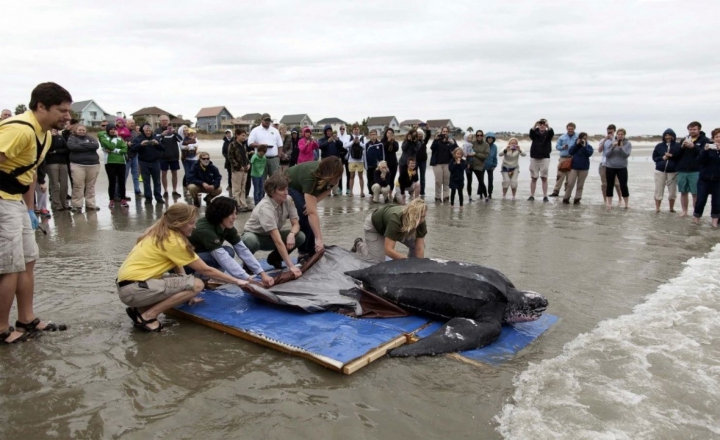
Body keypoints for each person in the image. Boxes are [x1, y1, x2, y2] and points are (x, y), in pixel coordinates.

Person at [0, 82, 72, 344]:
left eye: (68, 111)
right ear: (41, 106)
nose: (67, 116)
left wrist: (29, 208)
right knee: (8, 267)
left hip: (16, 202)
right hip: (1, 201)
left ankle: (26, 318)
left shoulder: (46, 134)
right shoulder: (20, 130)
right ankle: (1, 328)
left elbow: (28, 174)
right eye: (61, 110)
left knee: (28, 259)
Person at [116, 204, 252, 332]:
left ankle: (139, 310)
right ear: (178, 223)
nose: (194, 227)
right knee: (197, 284)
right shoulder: (173, 240)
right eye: (191, 223)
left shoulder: (159, 233)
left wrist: (186, 289)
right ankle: (148, 316)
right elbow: (206, 270)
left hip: (128, 287)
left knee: (190, 283)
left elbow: (177, 263)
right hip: (135, 290)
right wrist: (237, 281)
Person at [187, 197, 274, 287]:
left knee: (228, 251)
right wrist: (247, 279)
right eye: (231, 213)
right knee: (223, 254)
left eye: (235, 213)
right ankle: (199, 280)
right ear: (220, 214)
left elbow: (242, 249)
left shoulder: (226, 226)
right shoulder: (205, 229)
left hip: (200, 258)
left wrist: (262, 273)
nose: (235, 217)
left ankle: (204, 280)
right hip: (187, 264)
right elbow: (222, 257)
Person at [241, 172, 305, 276]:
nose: (285, 192)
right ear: (272, 192)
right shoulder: (265, 207)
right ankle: (248, 265)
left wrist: (292, 234)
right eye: (281, 190)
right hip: (256, 236)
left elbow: (296, 223)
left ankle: (275, 258)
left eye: (286, 189)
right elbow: (278, 241)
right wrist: (291, 266)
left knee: (300, 236)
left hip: (272, 236)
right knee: (250, 240)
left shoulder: (288, 199)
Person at [285, 156, 343, 261]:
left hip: (303, 182)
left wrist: (313, 202)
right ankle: (303, 252)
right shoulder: (310, 177)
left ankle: (311, 250)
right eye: (335, 178)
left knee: (309, 212)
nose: (336, 180)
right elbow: (312, 213)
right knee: (305, 215)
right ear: (327, 174)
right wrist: (319, 239)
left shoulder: (334, 176)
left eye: (338, 178)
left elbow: (328, 190)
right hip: (290, 182)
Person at [352, 199, 427, 263]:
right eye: (417, 216)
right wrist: (406, 261)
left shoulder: (420, 221)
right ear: (410, 214)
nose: (420, 220)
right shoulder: (395, 219)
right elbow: (388, 250)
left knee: (419, 244)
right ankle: (358, 245)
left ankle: (412, 266)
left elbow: (419, 248)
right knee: (376, 261)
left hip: (397, 227)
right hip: (375, 227)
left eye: (423, 217)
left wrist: (417, 265)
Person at [676, 121, 710, 217]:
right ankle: (684, 211)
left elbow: (705, 154)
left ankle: (696, 213)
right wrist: (682, 147)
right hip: (682, 170)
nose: (692, 131)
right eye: (690, 129)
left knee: (695, 193)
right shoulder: (684, 139)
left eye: (694, 129)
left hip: (696, 170)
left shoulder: (705, 140)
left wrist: (693, 147)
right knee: (683, 192)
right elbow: (677, 155)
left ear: (699, 129)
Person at [67, 124, 101, 212]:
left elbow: (96, 146)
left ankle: (90, 204)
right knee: (78, 185)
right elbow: (72, 147)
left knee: (90, 186)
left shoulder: (91, 137)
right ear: (75, 130)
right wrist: (88, 145)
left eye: (83, 130)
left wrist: (81, 145)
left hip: (93, 164)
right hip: (78, 165)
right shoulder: (72, 138)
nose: (81, 131)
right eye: (79, 130)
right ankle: (77, 205)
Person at [693, 128, 720, 226]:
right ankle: (696, 220)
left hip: (718, 181)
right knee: (700, 200)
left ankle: (714, 223)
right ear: (713, 138)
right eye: (716, 137)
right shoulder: (708, 147)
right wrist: (705, 150)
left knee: (717, 202)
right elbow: (699, 161)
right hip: (704, 179)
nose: (718, 139)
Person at [132, 123, 164, 204]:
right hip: (144, 162)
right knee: (146, 182)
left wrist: (157, 144)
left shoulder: (155, 137)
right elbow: (133, 149)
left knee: (157, 181)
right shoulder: (139, 138)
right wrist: (141, 144)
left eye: (149, 130)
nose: (148, 132)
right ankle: (148, 198)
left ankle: (158, 197)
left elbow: (163, 148)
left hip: (155, 162)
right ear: (143, 131)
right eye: (146, 130)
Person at [98, 123, 129, 208]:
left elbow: (125, 149)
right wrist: (114, 141)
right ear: (108, 130)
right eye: (110, 129)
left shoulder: (120, 138)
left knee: (122, 182)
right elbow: (109, 146)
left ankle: (123, 199)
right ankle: (111, 200)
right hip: (110, 162)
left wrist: (114, 150)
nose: (112, 130)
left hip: (121, 162)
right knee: (112, 182)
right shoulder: (104, 138)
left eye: (114, 129)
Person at [652, 129, 681, 213]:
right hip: (660, 170)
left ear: (673, 136)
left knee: (672, 191)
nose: (667, 137)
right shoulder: (659, 146)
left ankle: (671, 208)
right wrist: (662, 158)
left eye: (669, 135)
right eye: (666, 135)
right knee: (658, 189)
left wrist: (671, 156)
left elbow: (679, 157)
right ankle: (657, 208)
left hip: (673, 171)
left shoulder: (677, 146)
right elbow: (654, 158)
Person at [248, 113, 283, 178]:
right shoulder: (255, 130)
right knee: (261, 179)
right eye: (265, 120)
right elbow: (250, 143)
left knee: (275, 180)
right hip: (260, 159)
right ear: (261, 120)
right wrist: (260, 145)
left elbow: (280, 145)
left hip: (273, 159)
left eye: (268, 120)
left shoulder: (275, 131)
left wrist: (279, 156)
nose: (267, 122)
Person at [562, 132, 593, 204]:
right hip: (574, 167)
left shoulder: (589, 146)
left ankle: (577, 198)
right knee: (570, 183)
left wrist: (584, 146)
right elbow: (570, 152)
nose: (584, 140)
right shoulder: (575, 145)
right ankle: (566, 198)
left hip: (584, 168)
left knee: (580, 185)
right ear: (579, 138)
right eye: (583, 138)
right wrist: (577, 144)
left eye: (585, 138)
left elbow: (589, 154)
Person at [605, 128, 632, 209]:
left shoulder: (628, 144)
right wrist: (613, 146)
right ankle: (609, 203)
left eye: (622, 134)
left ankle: (626, 203)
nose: (620, 136)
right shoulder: (611, 142)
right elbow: (607, 154)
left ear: (624, 135)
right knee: (610, 185)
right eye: (619, 134)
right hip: (610, 166)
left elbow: (626, 155)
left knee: (623, 185)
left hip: (622, 167)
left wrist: (621, 148)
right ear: (616, 135)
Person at [155, 115, 181, 198]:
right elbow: (156, 141)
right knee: (163, 173)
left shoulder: (172, 131)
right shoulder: (157, 131)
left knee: (174, 173)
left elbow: (180, 140)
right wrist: (162, 135)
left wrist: (175, 133)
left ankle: (174, 190)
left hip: (174, 155)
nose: (165, 122)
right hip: (163, 156)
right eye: (163, 120)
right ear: (160, 122)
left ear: (169, 121)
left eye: (166, 120)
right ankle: (165, 191)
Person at [528, 119, 554, 202]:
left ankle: (545, 196)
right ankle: (532, 195)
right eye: (540, 124)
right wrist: (535, 124)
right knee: (534, 177)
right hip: (534, 157)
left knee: (544, 177)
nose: (542, 126)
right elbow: (531, 134)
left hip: (545, 157)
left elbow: (551, 133)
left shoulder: (548, 134)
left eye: (543, 124)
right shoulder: (535, 133)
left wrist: (548, 125)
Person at [45, 128, 70, 211]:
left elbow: (66, 149)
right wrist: (51, 136)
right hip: (51, 163)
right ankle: (56, 204)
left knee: (64, 184)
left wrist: (56, 151)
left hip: (63, 163)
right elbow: (48, 149)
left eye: (55, 130)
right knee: (54, 184)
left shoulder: (61, 138)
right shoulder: (46, 138)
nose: (54, 131)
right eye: (52, 130)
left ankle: (64, 203)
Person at [598, 124, 623, 205]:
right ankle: (605, 199)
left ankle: (620, 199)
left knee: (616, 183)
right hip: (604, 164)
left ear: (614, 131)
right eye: (608, 132)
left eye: (611, 132)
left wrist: (613, 141)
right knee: (604, 184)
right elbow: (599, 150)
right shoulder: (603, 140)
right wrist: (605, 139)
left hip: (614, 164)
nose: (609, 134)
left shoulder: (617, 139)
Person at [430, 126, 456, 202]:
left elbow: (456, 150)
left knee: (446, 181)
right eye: (443, 131)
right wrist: (435, 140)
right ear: (441, 132)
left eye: (446, 131)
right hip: (437, 163)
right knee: (438, 181)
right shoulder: (437, 140)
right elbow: (432, 148)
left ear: (448, 132)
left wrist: (452, 143)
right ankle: (437, 197)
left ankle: (446, 197)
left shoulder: (451, 140)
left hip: (448, 163)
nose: (445, 133)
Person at [550, 122, 577, 197]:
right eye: (569, 129)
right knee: (560, 175)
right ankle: (556, 191)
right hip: (563, 158)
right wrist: (562, 147)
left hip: (573, 159)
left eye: (572, 129)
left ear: (574, 128)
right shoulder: (562, 137)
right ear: (567, 129)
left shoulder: (577, 136)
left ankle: (567, 192)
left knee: (570, 177)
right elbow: (557, 146)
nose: (570, 130)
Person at [228, 128, 250, 212]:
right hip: (237, 170)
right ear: (237, 135)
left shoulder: (243, 145)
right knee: (237, 188)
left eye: (245, 135)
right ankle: (237, 205)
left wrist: (248, 164)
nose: (244, 137)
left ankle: (243, 204)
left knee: (243, 188)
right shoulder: (232, 144)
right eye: (243, 135)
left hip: (245, 170)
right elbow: (230, 157)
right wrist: (238, 166)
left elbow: (246, 156)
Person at [114, 117, 133, 203]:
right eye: (118, 122)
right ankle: (116, 195)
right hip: (117, 156)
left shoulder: (126, 130)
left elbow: (129, 138)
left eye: (121, 122)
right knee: (117, 178)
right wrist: (124, 143)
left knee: (123, 177)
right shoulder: (114, 130)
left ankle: (122, 194)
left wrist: (127, 143)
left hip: (126, 155)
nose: (120, 123)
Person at [467, 130, 489, 202]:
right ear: (476, 136)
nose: (479, 136)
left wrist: (475, 154)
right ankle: (470, 197)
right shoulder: (472, 143)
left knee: (481, 182)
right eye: (477, 135)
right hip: (470, 165)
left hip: (479, 165)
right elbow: (466, 151)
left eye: (481, 135)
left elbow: (485, 156)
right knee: (469, 181)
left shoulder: (486, 145)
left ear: (483, 136)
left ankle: (486, 197)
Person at [345, 124, 366, 197]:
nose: (356, 131)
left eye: (357, 129)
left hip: (360, 160)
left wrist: (359, 142)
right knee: (351, 176)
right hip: (351, 159)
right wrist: (353, 141)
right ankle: (351, 192)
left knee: (361, 176)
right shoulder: (349, 137)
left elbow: (365, 146)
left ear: (359, 130)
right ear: (352, 130)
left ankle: (362, 192)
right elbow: (345, 146)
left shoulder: (362, 137)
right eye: (355, 129)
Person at [124, 118, 142, 198]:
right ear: (126, 123)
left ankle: (137, 190)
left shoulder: (135, 133)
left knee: (136, 174)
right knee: (125, 175)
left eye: (133, 123)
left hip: (135, 156)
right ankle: (122, 193)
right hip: (126, 157)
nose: (133, 124)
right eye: (131, 123)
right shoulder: (123, 132)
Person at [364, 130, 385, 195]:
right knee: (370, 180)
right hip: (370, 166)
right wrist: (366, 166)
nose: (373, 136)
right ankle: (371, 193)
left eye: (374, 134)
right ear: (370, 136)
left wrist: (383, 165)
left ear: (377, 135)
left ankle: (378, 193)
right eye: (372, 134)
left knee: (378, 180)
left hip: (378, 167)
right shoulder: (367, 145)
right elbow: (365, 156)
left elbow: (383, 155)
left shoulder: (380, 144)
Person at [381, 128, 399, 192]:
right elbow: (383, 148)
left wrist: (392, 141)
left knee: (392, 178)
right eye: (388, 133)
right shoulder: (383, 141)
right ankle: (385, 192)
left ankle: (390, 192)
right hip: (385, 163)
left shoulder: (395, 142)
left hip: (393, 163)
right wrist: (388, 141)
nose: (389, 134)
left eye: (391, 133)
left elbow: (396, 149)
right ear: (386, 134)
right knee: (385, 178)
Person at [416, 125, 431, 196]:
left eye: (421, 134)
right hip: (415, 161)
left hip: (423, 162)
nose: (420, 135)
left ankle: (422, 192)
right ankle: (414, 192)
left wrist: (427, 129)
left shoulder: (424, 141)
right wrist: (415, 128)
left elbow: (428, 135)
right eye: (418, 134)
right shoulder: (414, 142)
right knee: (414, 177)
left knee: (423, 178)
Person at [462, 131, 477, 201]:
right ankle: (469, 196)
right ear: (466, 138)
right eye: (468, 138)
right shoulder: (465, 144)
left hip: (472, 162)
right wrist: (471, 154)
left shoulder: (471, 144)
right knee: (469, 181)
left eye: (471, 138)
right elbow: (464, 154)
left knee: (471, 180)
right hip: (467, 162)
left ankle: (471, 196)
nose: (470, 139)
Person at [484, 132, 498, 201]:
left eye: (491, 138)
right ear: (486, 138)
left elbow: (495, 157)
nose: (490, 139)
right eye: (489, 137)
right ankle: (481, 193)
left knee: (490, 180)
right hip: (482, 165)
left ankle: (490, 193)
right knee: (481, 180)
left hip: (490, 165)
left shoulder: (494, 147)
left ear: (493, 139)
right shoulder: (483, 145)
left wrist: (494, 165)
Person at [338, 124, 352, 193]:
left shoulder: (348, 136)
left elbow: (349, 146)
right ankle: (340, 188)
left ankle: (348, 188)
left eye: (343, 129)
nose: (342, 130)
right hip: (340, 157)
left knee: (348, 173)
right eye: (341, 129)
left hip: (347, 157)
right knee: (339, 173)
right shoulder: (337, 137)